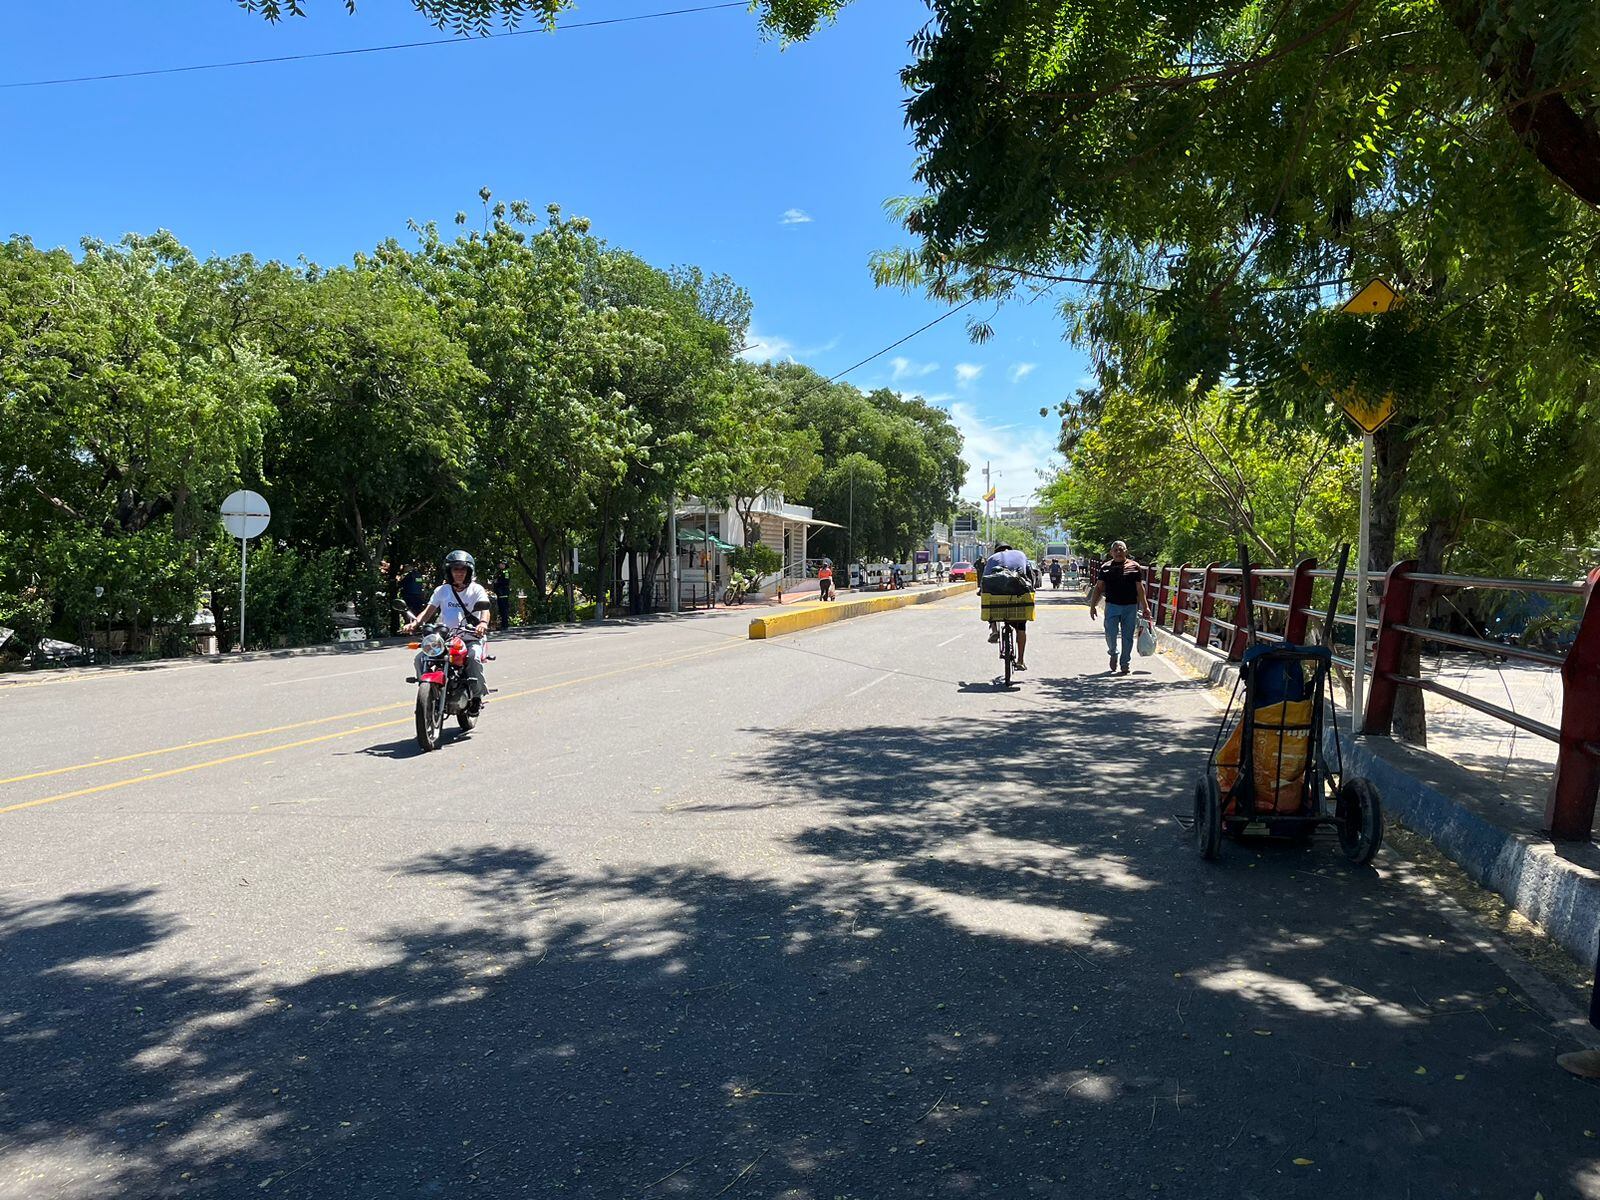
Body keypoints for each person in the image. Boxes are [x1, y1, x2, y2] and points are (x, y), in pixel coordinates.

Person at [405, 550, 491, 706]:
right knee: (420, 658)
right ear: (449, 571)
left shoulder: (476, 589)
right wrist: (415, 623)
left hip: (470, 637)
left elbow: (485, 610)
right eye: (455, 569)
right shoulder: (442, 590)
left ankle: (477, 697)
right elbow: (428, 611)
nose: (459, 573)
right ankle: (428, 692)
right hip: (446, 638)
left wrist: (483, 623)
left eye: (463, 569)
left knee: (473, 658)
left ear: (469, 571)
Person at [1088, 540, 1148, 675]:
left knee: (1128, 637)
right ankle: (1113, 653)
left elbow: (1140, 588)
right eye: (1115, 550)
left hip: (1130, 607)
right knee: (1110, 633)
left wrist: (1146, 607)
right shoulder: (1105, 568)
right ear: (1111, 553)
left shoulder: (1135, 567)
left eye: (1121, 549)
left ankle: (1125, 663)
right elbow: (1098, 588)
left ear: (1126, 551)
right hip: (1112, 606)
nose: (1118, 552)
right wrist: (1093, 606)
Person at [983, 542, 1032, 670]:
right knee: (1021, 628)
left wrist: (981, 591)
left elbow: (985, 579)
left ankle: (994, 630)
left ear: (997, 551)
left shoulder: (992, 558)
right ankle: (1020, 660)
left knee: (988, 601)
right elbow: (1029, 574)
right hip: (1018, 596)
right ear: (1010, 549)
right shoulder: (1020, 554)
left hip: (997, 597)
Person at [492, 562, 512, 630]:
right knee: (501, 609)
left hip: (503, 592)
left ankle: (505, 625)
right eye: (499, 564)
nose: (499, 565)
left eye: (501, 564)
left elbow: (506, 581)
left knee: (504, 608)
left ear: (504, 565)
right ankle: (502, 624)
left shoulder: (506, 572)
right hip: (499, 592)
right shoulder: (499, 572)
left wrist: (497, 582)